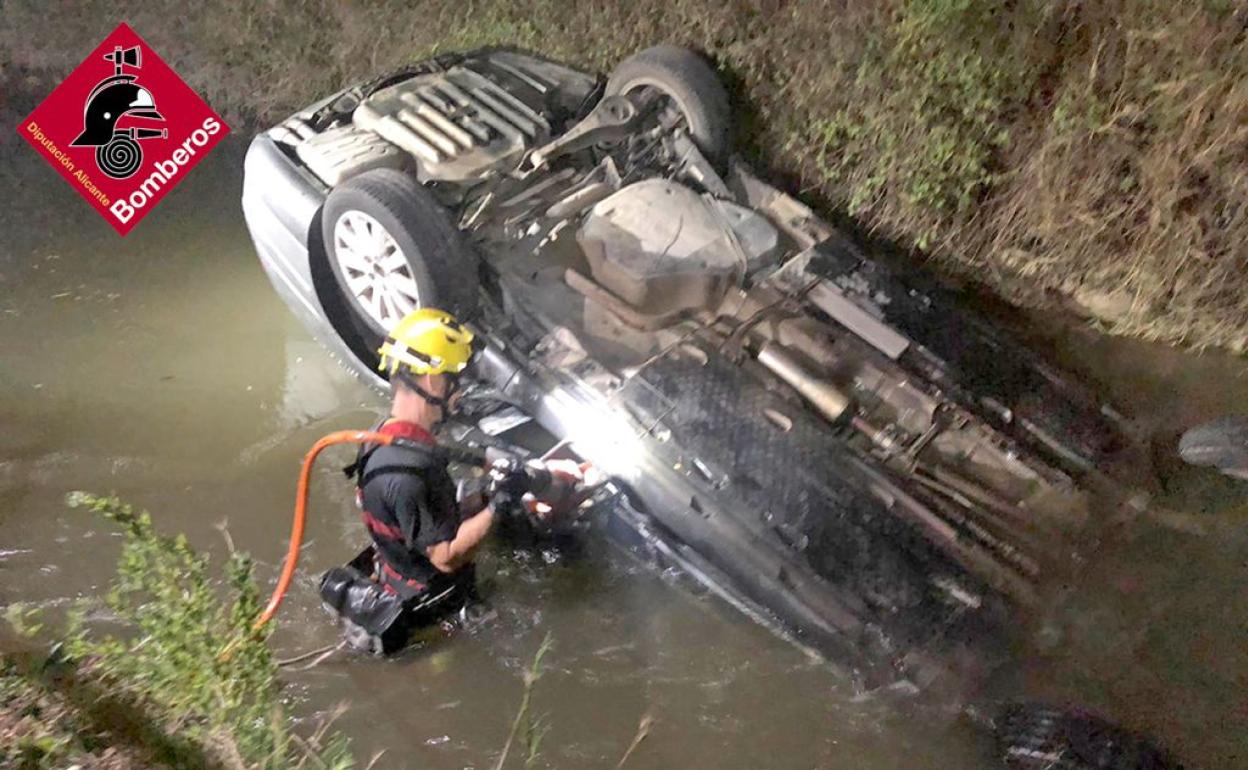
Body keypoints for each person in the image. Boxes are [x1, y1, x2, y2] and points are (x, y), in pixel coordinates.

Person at [345, 308, 502, 607]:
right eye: (456, 379)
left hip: (397, 569)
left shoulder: (381, 436)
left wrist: (487, 495)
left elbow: (423, 515)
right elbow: (445, 558)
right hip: (430, 601)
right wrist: (498, 507)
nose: (460, 392)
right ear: (432, 381)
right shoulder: (408, 473)